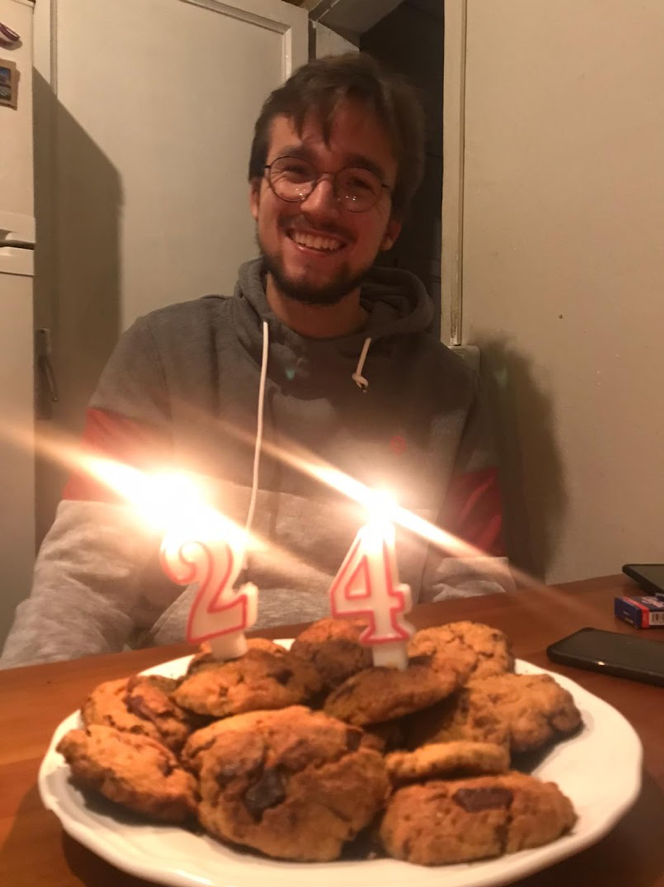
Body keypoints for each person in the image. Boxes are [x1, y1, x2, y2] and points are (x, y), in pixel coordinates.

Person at [1, 53, 513, 669]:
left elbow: (473, 601)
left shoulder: (449, 393)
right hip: (187, 704)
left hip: (380, 706)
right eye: (295, 170)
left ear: (393, 224)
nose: (321, 205)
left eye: (358, 184)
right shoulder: (161, 353)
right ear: (255, 194)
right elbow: (81, 587)